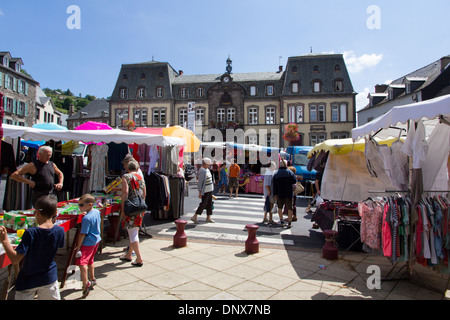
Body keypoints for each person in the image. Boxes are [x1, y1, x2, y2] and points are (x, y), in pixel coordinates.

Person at [0, 195, 65, 300]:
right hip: (49, 278)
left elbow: (15, 259)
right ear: (55, 213)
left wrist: (4, 240)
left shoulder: (31, 233)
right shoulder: (60, 231)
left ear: (37, 213)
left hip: (28, 280)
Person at [120, 160, 146, 267]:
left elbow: (125, 192)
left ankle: (139, 258)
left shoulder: (125, 177)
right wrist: (141, 204)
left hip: (130, 207)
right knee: (134, 229)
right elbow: (144, 193)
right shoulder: (140, 177)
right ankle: (129, 254)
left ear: (128, 168)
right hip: (139, 207)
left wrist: (123, 208)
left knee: (132, 231)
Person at [75, 194, 102, 298]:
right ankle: (93, 278)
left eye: (81, 205)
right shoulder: (96, 212)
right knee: (90, 260)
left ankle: (85, 284)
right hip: (96, 240)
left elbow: (82, 233)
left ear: (89, 204)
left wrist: (78, 246)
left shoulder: (86, 219)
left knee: (82, 263)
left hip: (87, 242)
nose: (79, 207)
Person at [272, 159, 297, 228]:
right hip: (288, 192)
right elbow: (294, 181)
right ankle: (289, 223)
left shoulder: (276, 173)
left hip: (280, 193)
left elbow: (274, 185)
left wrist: (275, 194)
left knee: (280, 207)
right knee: (289, 208)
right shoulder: (290, 173)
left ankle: (281, 221)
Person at [191, 157, 215, 224]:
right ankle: (195, 216)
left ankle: (208, 217)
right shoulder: (202, 170)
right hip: (205, 190)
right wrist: (200, 192)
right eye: (208, 164)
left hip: (210, 189)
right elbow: (200, 182)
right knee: (203, 204)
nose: (209, 165)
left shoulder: (207, 169)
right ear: (205, 164)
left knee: (209, 204)